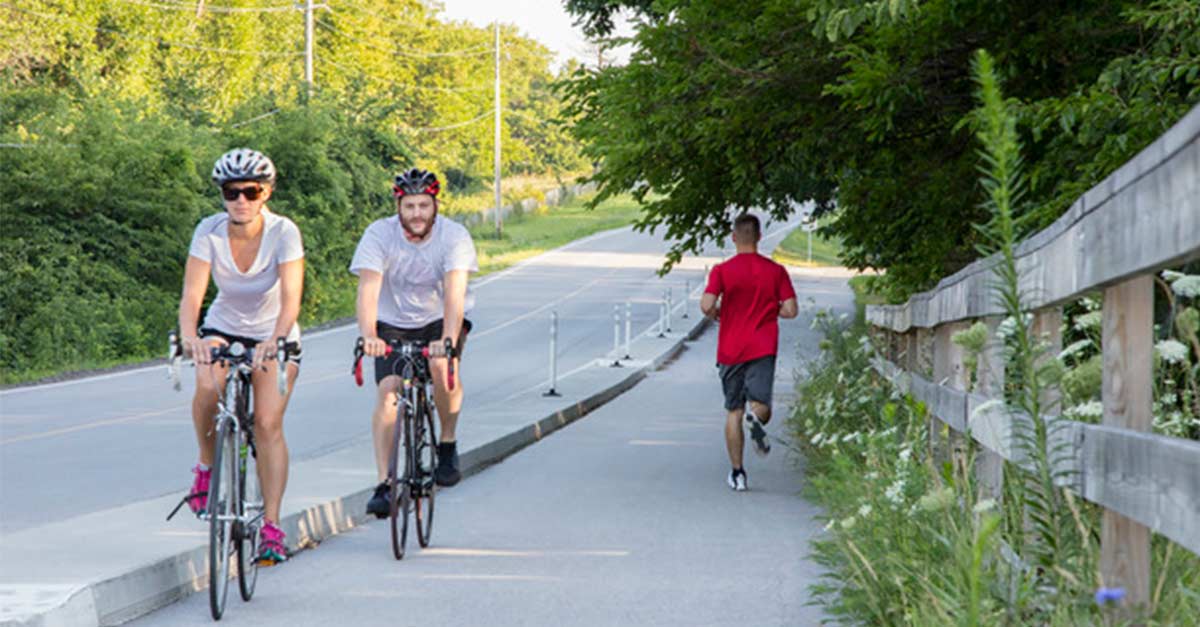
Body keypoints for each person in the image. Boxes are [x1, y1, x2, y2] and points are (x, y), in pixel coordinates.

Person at [179, 148, 304, 564]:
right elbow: (193, 295)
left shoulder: (284, 232)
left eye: (250, 191)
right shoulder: (209, 231)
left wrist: (277, 337)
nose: (241, 201)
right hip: (223, 327)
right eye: (232, 192)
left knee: (268, 423)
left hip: (273, 333)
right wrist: (188, 336)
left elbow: (291, 299)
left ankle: (271, 526)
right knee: (206, 386)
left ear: (266, 192)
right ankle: (205, 465)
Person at [350, 167, 478, 518]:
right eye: (410, 206)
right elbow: (368, 288)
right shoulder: (379, 234)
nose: (417, 214)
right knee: (389, 390)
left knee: (440, 365)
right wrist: (370, 336)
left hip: (441, 317)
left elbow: (455, 293)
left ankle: (447, 442)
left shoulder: (454, 236)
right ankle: (385, 483)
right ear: (399, 207)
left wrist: (448, 342)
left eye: (424, 205)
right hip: (392, 321)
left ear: (435, 205)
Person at [700, 213, 798, 491]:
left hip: (730, 350)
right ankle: (756, 419)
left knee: (733, 411)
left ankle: (738, 473)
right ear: (759, 236)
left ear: (733, 237)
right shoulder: (776, 271)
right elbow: (791, 310)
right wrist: (769, 309)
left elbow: (706, 305)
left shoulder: (722, 271)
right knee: (761, 406)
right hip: (763, 347)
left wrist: (720, 311)